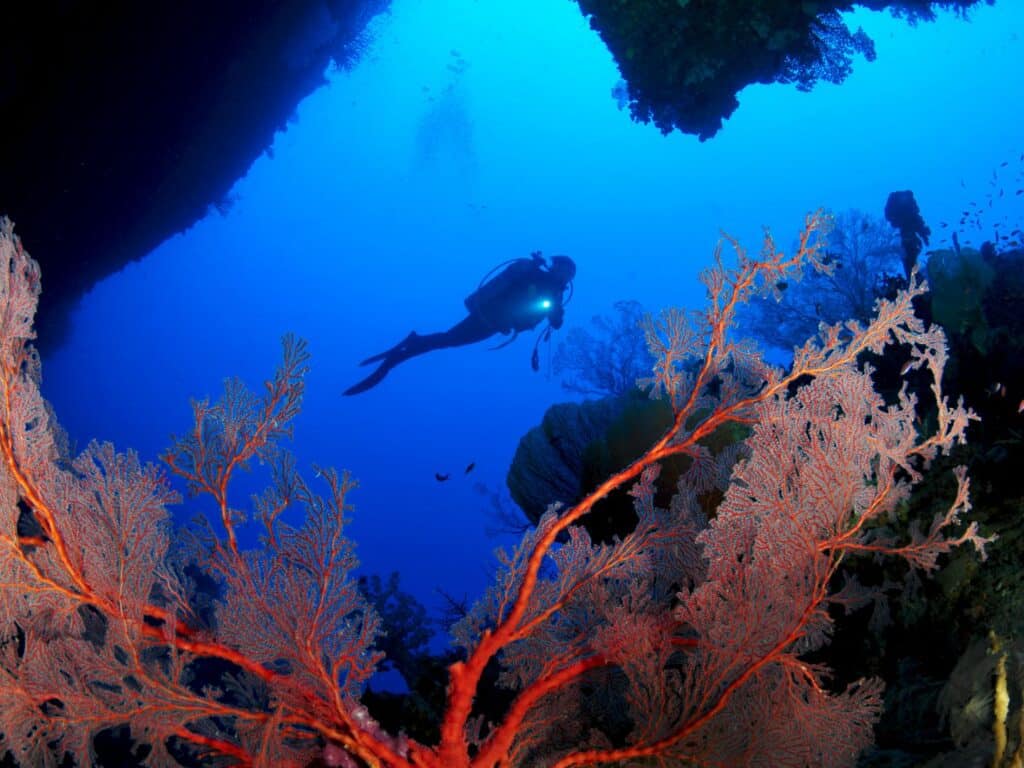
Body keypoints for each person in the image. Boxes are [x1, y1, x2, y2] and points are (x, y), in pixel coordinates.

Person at [343, 252, 576, 396]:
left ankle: (407, 348)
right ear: (559, 269)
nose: (564, 278)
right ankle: (402, 352)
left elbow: (555, 323)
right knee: (448, 340)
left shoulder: (554, 294)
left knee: (448, 340)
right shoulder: (537, 277)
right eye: (564, 272)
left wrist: (556, 311)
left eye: (567, 275)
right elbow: (524, 295)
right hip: (490, 317)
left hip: (494, 322)